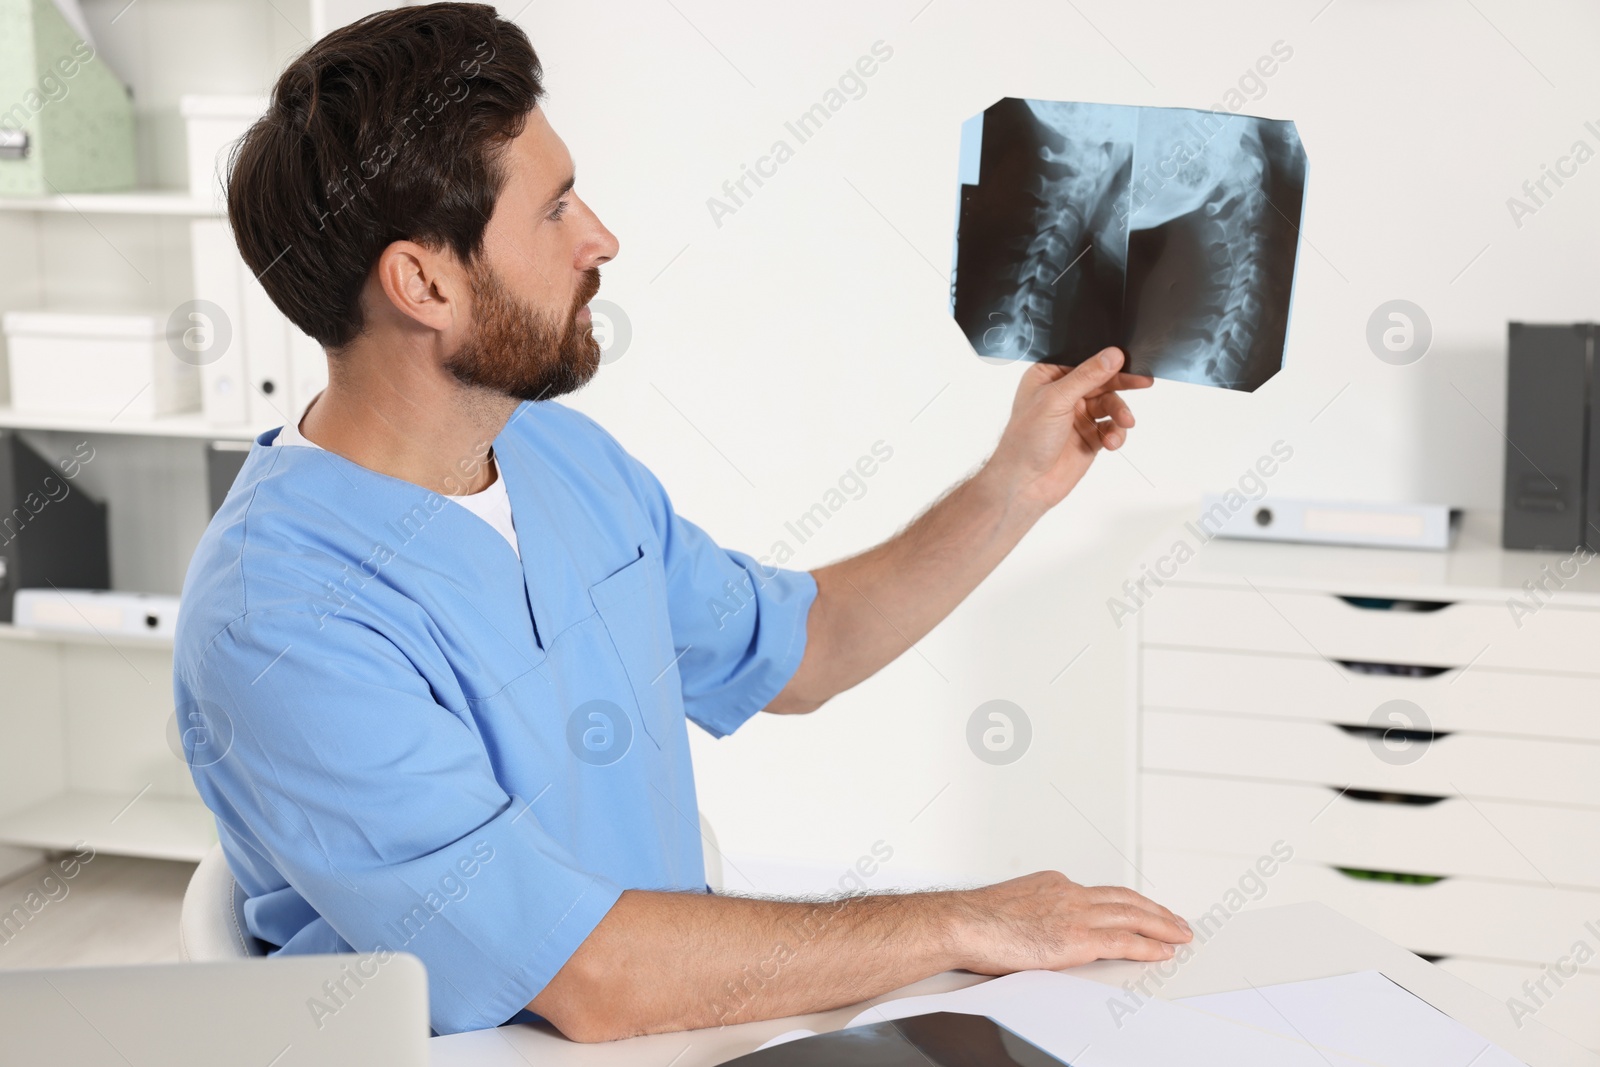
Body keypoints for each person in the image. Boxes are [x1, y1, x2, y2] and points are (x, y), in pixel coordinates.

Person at [173, 2, 1190, 1041]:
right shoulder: (280, 620)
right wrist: (961, 919)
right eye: (555, 209)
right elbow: (591, 974)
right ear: (423, 282)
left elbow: (807, 646)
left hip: (685, 1035)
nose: (600, 238)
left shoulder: (556, 458)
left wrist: (1014, 480)